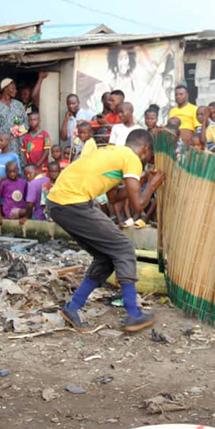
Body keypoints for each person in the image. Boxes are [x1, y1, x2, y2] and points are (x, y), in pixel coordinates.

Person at [47, 129, 165, 333]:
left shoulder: (114, 153)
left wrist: (144, 181)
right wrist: (153, 185)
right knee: (124, 247)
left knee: (105, 257)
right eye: (150, 157)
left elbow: (113, 197)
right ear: (145, 149)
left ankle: (73, 308)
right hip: (72, 202)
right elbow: (138, 204)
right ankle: (133, 314)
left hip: (60, 203)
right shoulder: (131, 158)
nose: (147, 162)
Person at [0, 78, 28, 161]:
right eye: (13, 88)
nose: (16, 91)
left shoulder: (19, 105)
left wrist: (18, 131)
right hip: (4, 148)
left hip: (20, 146)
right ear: (5, 89)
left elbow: (27, 123)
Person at [0, 133, 21, 201]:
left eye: (1, 140)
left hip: (8, 188)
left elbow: (18, 175)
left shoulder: (13, 157)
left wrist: (2, 179)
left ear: (8, 142)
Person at [0, 161, 27, 225]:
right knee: (26, 211)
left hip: (21, 208)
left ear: (18, 170)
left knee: (30, 209)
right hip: (10, 211)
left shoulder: (23, 182)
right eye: (10, 172)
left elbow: (26, 198)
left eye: (14, 172)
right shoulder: (4, 184)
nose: (12, 174)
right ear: (6, 172)